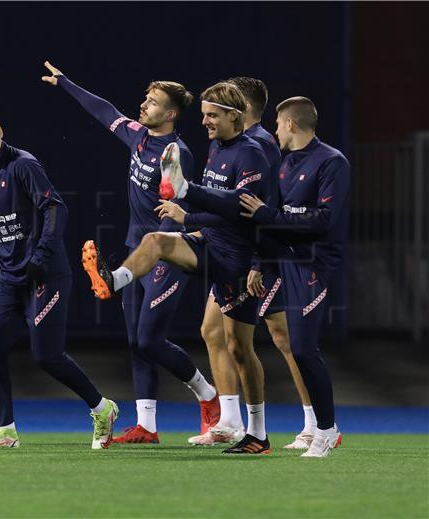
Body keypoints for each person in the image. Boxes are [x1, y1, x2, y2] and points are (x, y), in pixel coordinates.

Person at [84, 82, 274, 454]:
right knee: (155, 243)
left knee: (241, 348)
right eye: (203, 114)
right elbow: (216, 206)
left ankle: (262, 432)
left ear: (234, 116)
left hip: (235, 258)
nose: (204, 122)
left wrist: (187, 197)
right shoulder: (217, 148)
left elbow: (241, 205)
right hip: (209, 243)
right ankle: (115, 279)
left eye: (212, 115)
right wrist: (191, 215)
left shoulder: (252, 153)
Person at [158, 96, 347, 457]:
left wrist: (263, 215)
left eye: (278, 122)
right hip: (276, 259)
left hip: (311, 264)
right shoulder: (284, 163)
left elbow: (322, 222)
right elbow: (253, 214)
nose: (274, 129)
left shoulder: (332, 162)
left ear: (291, 124)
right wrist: (258, 261)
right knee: (227, 332)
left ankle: (323, 429)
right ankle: (252, 430)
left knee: (303, 348)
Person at [41, 62, 219, 444]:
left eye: (152, 103)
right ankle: (147, 427)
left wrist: (166, 249)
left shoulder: (177, 152)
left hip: (165, 253)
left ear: (170, 114)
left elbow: (177, 207)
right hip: (134, 250)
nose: (143, 106)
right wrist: (66, 83)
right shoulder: (139, 137)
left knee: (149, 341)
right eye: (145, 99)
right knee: (135, 341)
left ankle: (209, 396)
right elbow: (105, 111)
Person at [0, 111, 119, 449]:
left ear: (0, 130)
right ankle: (6, 431)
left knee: (47, 355)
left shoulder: (24, 165)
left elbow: (55, 209)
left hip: (44, 274)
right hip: (9, 277)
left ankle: (102, 408)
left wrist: (40, 257)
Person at [226, 77, 316, 449]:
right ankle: (239, 424)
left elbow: (264, 207)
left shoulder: (260, 145)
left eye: (227, 102)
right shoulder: (235, 145)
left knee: (283, 338)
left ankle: (316, 423)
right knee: (223, 337)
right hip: (240, 255)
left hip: (263, 255)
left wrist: (258, 260)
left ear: (242, 107)